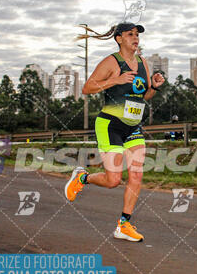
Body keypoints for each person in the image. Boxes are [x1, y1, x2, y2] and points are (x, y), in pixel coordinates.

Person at [64, 22, 165, 241]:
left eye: (137, 35)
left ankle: (124, 225)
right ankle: (82, 178)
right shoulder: (111, 62)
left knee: (137, 175)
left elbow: (144, 96)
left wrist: (154, 87)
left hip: (133, 127)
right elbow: (87, 88)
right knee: (113, 181)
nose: (135, 38)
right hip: (110, 124)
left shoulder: (142, 63)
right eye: (130, 34)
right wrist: (115, 80)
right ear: (119, 39)